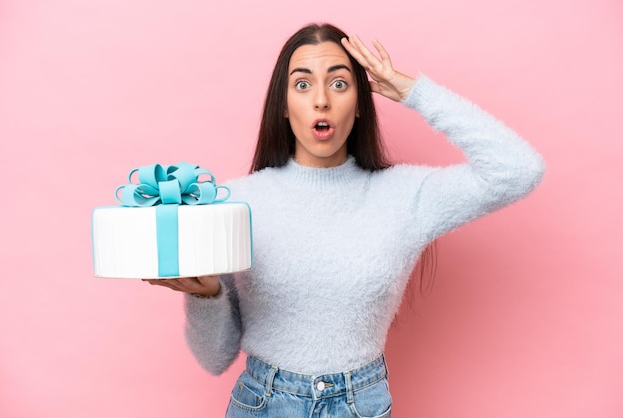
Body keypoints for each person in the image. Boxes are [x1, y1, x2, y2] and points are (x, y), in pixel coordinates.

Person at [145, 22, 544, 418]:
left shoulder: (404, 196)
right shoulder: (236, 202)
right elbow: (214, 359)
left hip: (360, 404)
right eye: (302, 85)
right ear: (283, 106)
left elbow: (519, 169)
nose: (321, 100)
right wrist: (204, 296)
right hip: (262, 403)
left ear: (359, 103)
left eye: (339, 84)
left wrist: (414, 92)